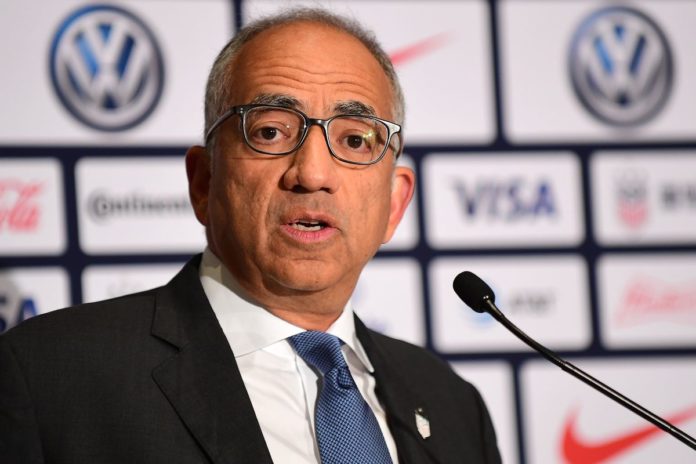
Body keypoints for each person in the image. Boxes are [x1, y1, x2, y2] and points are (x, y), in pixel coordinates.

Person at [0, 8, 501, 464]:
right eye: (270, 132)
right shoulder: (49, 375)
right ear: (203, 182)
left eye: (354, 139)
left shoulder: (452, 406)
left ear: (395, 204)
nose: (312, 173)